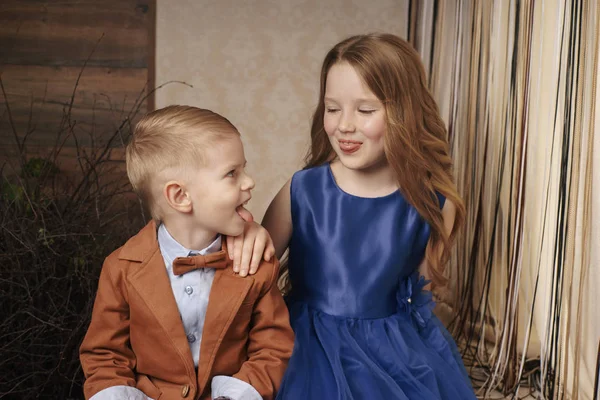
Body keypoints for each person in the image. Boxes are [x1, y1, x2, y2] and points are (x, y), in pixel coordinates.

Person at [245, 33, 477, 399]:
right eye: (332, 108)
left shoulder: (433, 204)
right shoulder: (303, 190)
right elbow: (249, 279)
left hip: (392, 355)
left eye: (365, 111)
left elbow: (419, 301)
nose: (344, 125)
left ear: (405, 113)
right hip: (305, 350)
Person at [79, 105, 294, 400]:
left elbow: (273, 348)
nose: (249, 182)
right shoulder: (121, 268)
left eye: (244, 168)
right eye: (232, 173)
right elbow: (105, 355)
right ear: (180, 196)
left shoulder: (255, 262)